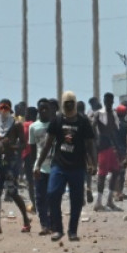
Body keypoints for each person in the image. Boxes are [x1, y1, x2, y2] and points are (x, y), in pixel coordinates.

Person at [35, 91, 95, 242]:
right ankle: (58, 229)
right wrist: (38, 164)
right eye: (66, 103)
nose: (69, 106)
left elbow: (90, 145)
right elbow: (48, 144)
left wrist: (93, 163)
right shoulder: (58, 120)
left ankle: (72, 231)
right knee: (52, 194)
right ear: (62, 104)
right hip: (59, 165)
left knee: (76, 200)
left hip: (77, 166)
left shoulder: (83, 121)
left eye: (71, 103)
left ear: (75, 103)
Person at [0, 99, 31, 235]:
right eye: (1, 108)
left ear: (10, 109)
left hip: (10, 162)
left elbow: (23, 144)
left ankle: (26, 221)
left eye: (6, 108)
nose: (4, 110)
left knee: (12, 192)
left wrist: (11, 146)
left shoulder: (16, 125)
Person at [91, 93, 123, 212]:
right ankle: (98, 203)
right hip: (103, 147)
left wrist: (118, 147)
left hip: (111, 146)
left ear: (112, 101)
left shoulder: (113, 114)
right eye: (106, 100)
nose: (108, 103)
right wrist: (96, 141)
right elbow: (93, 127)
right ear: (104, 101)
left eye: (110, 101)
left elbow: (114, 131)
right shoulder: (99, 113)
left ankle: (109, 200)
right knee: (102, 175)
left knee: (116, 171)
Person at [30, 99, 53, 235]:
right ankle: (44, 225)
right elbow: (33, 150)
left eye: (46, 108)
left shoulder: (56, 125)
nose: (44, 111)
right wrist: (35, 166)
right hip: (40, 167)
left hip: (55, 167)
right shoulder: (34, 127)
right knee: (40, 198)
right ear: (38, 110)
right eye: (41, 108)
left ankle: (52, 223)